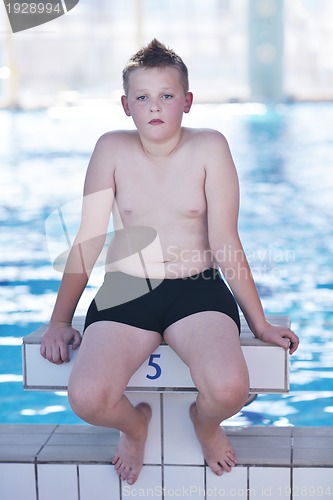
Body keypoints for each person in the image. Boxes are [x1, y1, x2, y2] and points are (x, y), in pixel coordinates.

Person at [40, 39, 299, 485]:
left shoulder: (210, 147)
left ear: (187, 101)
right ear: (126, 105)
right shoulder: (111, 149)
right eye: (142, 97)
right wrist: (60, 320)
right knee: (86, 398)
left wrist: (258, 325)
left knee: (229, 389)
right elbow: (88, 240)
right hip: (127, 289)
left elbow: (226, 241)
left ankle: (205, 422)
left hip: (196, 288)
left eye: (166, 96)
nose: (154, 107)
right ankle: (135, 426)